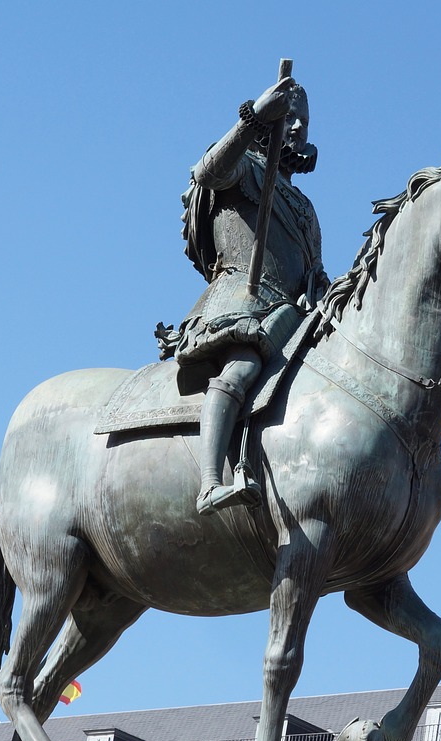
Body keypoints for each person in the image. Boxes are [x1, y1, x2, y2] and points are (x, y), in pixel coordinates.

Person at [158, 70, 327, 515]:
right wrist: (253, 118)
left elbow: (313, 273)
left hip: (289, 316)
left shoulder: (305, 208)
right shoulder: (243, 168)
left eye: (302, 122)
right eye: (287, 118)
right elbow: (207, 172)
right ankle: (211, 481)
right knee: (242, 367)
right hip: (239, 301)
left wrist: (320, 292)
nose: (295, 128)